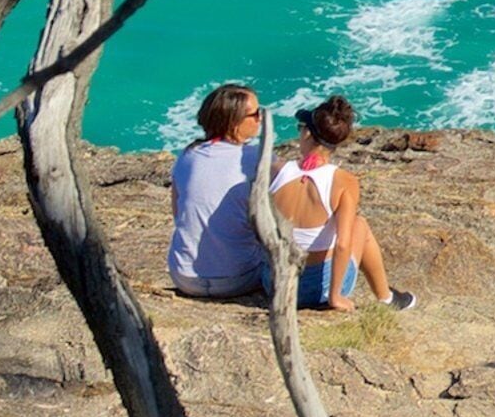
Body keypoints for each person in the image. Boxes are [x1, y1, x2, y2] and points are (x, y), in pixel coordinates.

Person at [270, 97, 416, 312]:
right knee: (359, 225)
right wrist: (335, 297)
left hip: (275, 282)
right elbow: (342, 244)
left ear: (308, 133)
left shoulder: (277, 170)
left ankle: (385, 297)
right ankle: (386, 298)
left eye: (301, 128)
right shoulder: (343, 181)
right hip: (314, 290)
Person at [166, 83, 271, 301]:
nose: (260, 119)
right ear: (234, 122)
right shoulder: (255, 158)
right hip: (238, 278)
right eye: (255, 114)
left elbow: (178, 214)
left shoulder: (188, 155)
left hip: (183, 275)